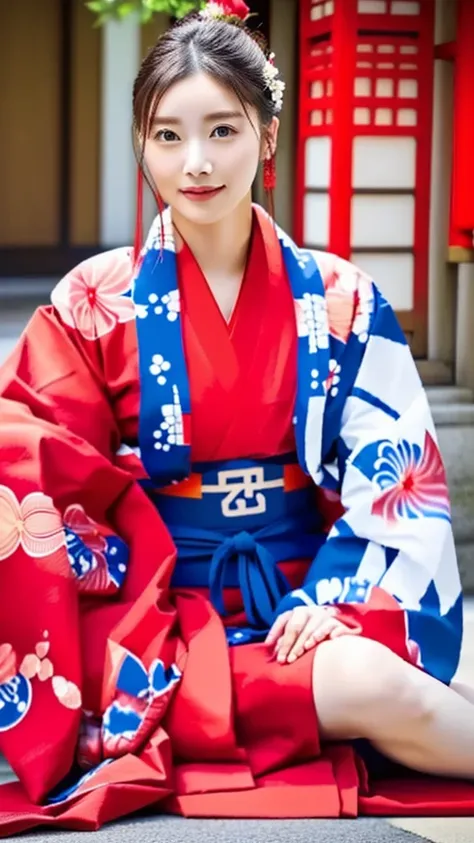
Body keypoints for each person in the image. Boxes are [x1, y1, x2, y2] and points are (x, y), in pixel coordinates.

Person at [0, 0, 474, 833]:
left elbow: (398, 476)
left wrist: (335, 596)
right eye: (168, 136)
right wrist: (113, 576)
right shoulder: (92, 301)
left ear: (268, 134)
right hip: (154, 622)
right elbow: (30, 452)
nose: (196, 163)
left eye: (223, 130)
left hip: (308, 598)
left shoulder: (341, 299)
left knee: (380, 676)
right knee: (381, 691)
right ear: (142, 145)